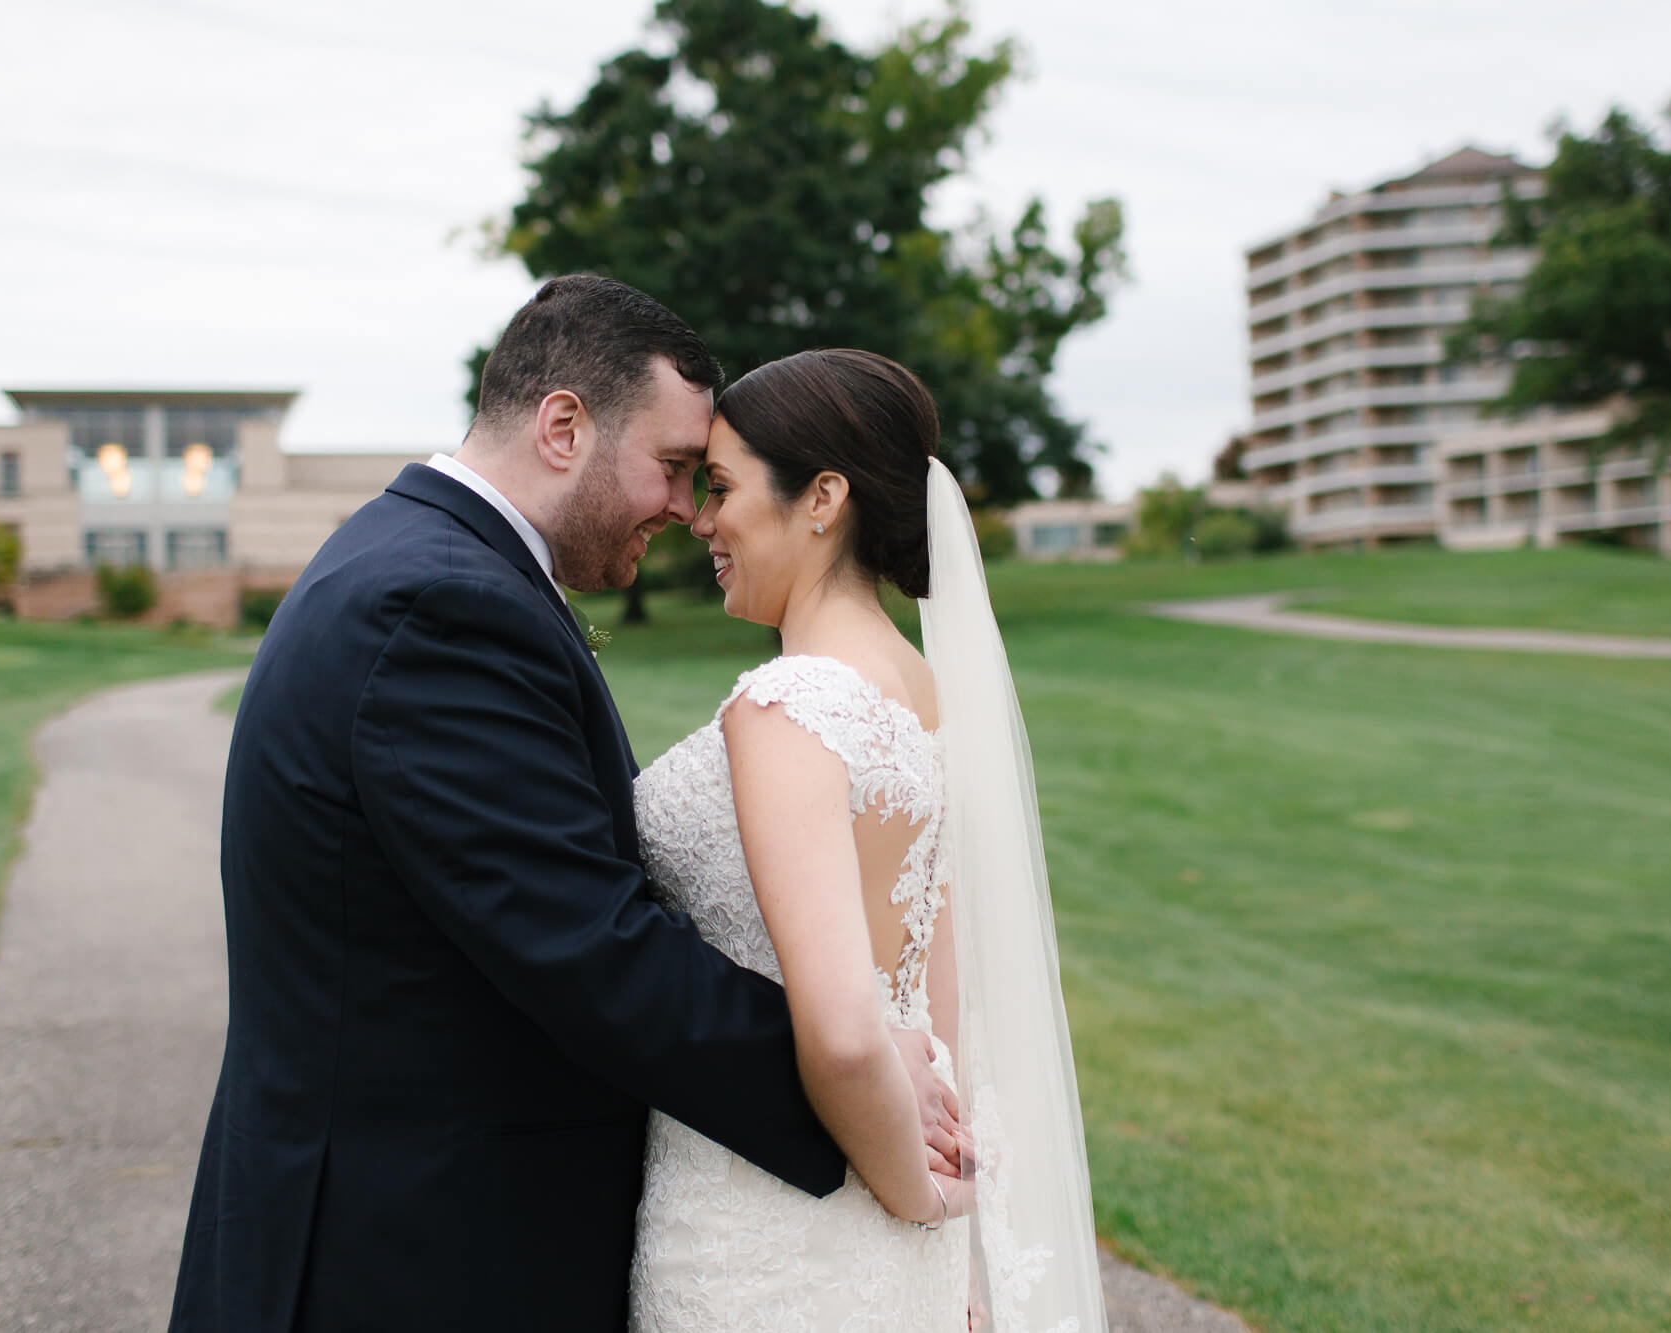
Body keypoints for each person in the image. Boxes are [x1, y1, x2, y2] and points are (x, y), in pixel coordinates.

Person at [166, 278, 961, 1332]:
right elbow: (586, 944)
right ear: (562, 426)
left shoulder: (435, 567)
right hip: (405, 1251)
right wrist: (851, 1076)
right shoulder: (437, 604)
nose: (686, 511)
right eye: (676, 469)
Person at [628, 349, 1109, 1330]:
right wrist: (952, 1244)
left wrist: (917, 1195)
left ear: (823, 497)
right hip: (889, 1227)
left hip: (765, 1214)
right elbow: (941, 983)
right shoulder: (924, 693)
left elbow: (846, 1032)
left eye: (720, 489)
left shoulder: (786, 706)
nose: (702, 521)